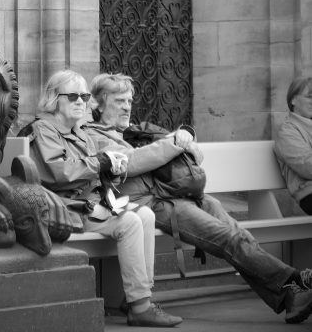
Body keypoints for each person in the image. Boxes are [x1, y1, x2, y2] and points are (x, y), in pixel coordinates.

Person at [88, 72, 312, 324]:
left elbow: (195, 157)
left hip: (178, 195)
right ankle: (295, 284)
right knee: (227, 238)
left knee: (236, 233)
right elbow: (135, 162)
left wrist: (185, 139)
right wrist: (176, 140)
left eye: (129, 101)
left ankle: (291, 295)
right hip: (151, 205)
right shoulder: (92, 136)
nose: (127, 106)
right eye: (119, 101)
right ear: (97, 104)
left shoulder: (136, 130)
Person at [24, 69, 183, 327]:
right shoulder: (44, 129)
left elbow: (95, 174)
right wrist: (99, 162)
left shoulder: (78, 131)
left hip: (90, 204)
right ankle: (140, 306)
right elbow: (58, 172)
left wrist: (113, 170)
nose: (81, 102)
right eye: (73, 96)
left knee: (145, 214)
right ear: (54, 98)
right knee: (130, 222)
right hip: (64, 208)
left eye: (84, 97)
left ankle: (139, 295)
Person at [275, 77, 312, 215]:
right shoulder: (288, 131)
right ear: (293, 100)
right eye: (310, 96)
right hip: (308, 194)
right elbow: (307, 166)